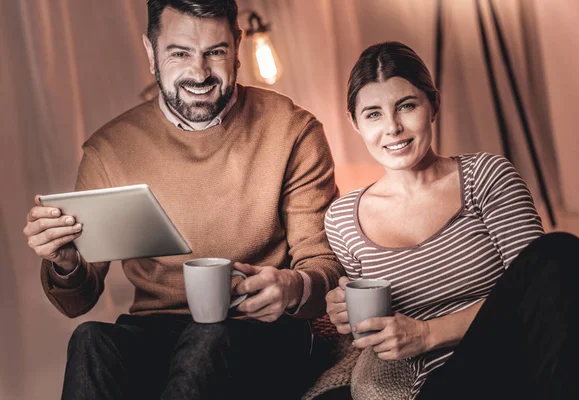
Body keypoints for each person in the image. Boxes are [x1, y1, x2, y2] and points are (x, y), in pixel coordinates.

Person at [21, 1, 343, 399]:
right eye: (179, 53)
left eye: (216, 51)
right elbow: (78, 303)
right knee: (91, 341)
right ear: (151, 53)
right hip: (159, 332)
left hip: (262, 331)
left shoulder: (294, 132)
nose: (200, 72)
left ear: (238, 47)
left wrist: (293, 286)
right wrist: (67, 263)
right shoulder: (109, 150)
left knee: (207, 340)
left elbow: (325, 265)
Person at [325, 41, 579, 400]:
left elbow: (542, 293)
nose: (392, 127)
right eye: (373, 113)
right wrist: (343, 315)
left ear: (434, 104)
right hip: (442, 382)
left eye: (406, 106)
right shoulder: (343, 219)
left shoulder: (487, 175)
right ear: (355, 123)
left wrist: (426, 332)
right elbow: (372, 327)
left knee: (559, 254)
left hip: (524, 353)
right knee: (561, 251)